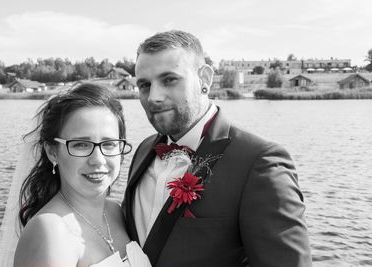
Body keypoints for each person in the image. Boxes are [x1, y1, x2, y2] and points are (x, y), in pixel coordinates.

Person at [123, 30, 312, 267]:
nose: (154, 97)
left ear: (204, 78)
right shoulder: (143, 151)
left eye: (169, 79)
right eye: (144, 85)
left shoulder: (260, 162)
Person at [13, 83, 151, 267]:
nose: (98, 160)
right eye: (81, 145)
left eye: (109, 144)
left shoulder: (115, 212)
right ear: (52, 152)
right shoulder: (51, 230)